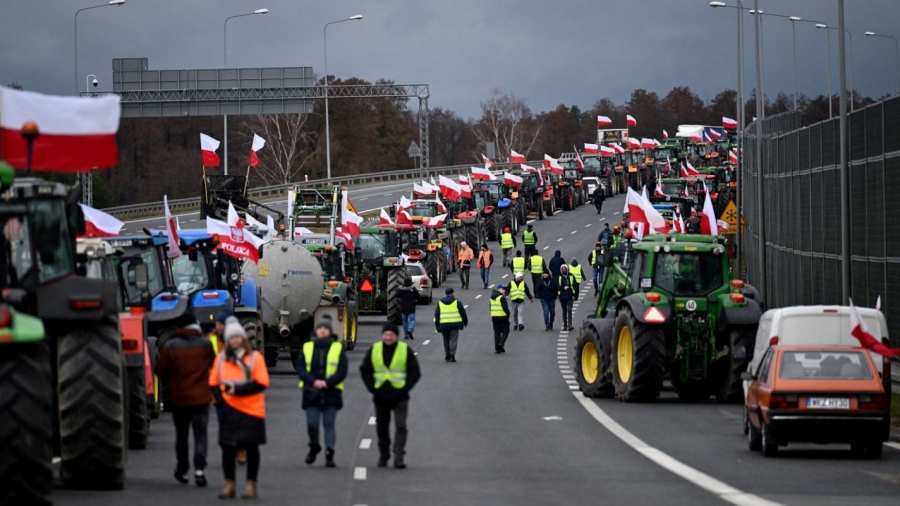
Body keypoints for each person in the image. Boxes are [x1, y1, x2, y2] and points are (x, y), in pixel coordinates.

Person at [209, 317, 270, 499]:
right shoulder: (221, 360)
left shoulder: (255, 358)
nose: (235, 340)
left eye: (238, 337)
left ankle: (251, 484)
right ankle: (230, 484)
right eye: (231, 338)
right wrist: (220, 400)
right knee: (227, 448)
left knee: (251, 448)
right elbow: (213, 382)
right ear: (227, 341)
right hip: (229, 410)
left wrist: (238, 390)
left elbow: (262, 383)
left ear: (243, 338)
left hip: (252, 410)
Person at [155, 312, 216, 487]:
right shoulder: (205, 345)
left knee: (181, 436)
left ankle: (183, 470)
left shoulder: (171, 346)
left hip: (179, 399)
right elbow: (215, 365)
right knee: (200, 434)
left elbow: (160, 371)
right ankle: (199, 470)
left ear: (180, 328)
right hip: (202, 398)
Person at [359, 323, 421, 469]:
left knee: (401, 426)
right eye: (386, 334)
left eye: (391, 335)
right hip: (380, 396)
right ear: (382, 336)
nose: (388, 337)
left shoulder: (405, 350)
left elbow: (415, 373)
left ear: (396, 336)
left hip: (400, 396)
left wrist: (405, 388)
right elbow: (365, 370)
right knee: (382, 428)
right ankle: (384, 454)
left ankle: (399, 456)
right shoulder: (374, 349)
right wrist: (373, 388)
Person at [296, 318, 348, 468]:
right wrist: (313, 382)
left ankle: (329, 454)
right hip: (311, 391)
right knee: (312, 423)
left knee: (328, 424)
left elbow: (342, 370)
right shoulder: (307, 347)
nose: (323, 330)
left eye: (326, 328)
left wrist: (327, 383)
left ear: (330, 331)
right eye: (320, 328)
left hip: (331, 392)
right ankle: (314, 446)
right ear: (316, 331)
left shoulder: (337, 348)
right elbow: (300, 368)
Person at [434, 287, 468, 362]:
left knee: (446, 340)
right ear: (452, 293)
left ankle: (447, 355)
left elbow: (437, 315)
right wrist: (465, 322)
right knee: (453, 340)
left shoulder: (440, 302)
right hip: (454, 324)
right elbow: (463, 313)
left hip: (444, 325)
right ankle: (452, 355)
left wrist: (437, 325)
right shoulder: (457, 302)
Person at [490, 284, 511, 354]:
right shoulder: (501, 298)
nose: (504, 290)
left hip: (494, 317)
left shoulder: (492, 298)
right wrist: (508, 314)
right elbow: (505, 308)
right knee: (506, 331)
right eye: (503, 289)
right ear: (498, 289)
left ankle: (496, 348)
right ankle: (501, 344)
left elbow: (490, 308)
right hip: (503, 317)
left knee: (497, 333)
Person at [557, 265, 577, 331]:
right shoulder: (559, 277)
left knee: (569, 309)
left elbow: (575, 286)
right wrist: (563, 288)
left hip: (570, 296)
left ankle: (570, 325)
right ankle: (565, 325)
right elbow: (556, 286)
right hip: (562, 296)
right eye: (562, 269)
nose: (563, 270)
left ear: (567, 269)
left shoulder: (571, 276)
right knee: (564, 311)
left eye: (564, 269)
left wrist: (575, 295)